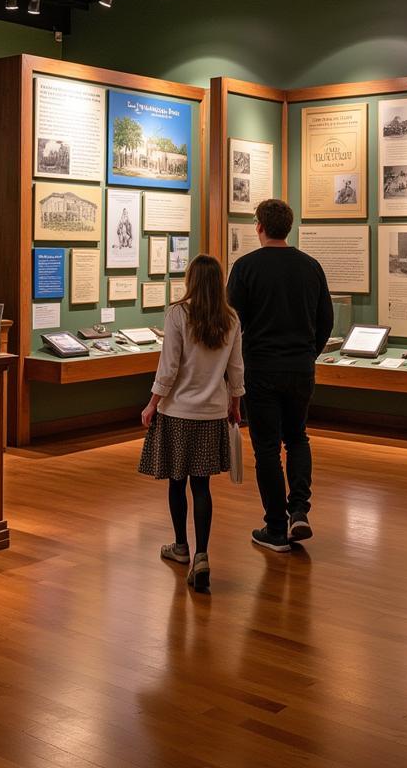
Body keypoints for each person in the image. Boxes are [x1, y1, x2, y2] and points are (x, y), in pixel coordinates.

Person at [227, 198, 333, 552]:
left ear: (259, 226)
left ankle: (275, 527)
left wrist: (234, 374)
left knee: (268, 449)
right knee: (297, 438)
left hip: (260, 369)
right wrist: (308, 354)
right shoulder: (310, 266)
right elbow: (325, 321)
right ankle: (299, 511)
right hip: (300, 367)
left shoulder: (244, 268)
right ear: (288, 227)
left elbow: (233, 326)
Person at [138, 254, 244, 592]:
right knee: (202, 487)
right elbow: (237, 369)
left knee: (176, 482)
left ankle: (180, 546)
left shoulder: (177, 314)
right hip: (212, 412)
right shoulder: (230, 319)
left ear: (191, 280)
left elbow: (168, 368)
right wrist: (236, 403)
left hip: (178, 412)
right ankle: (202, 555)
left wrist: (152, 403)